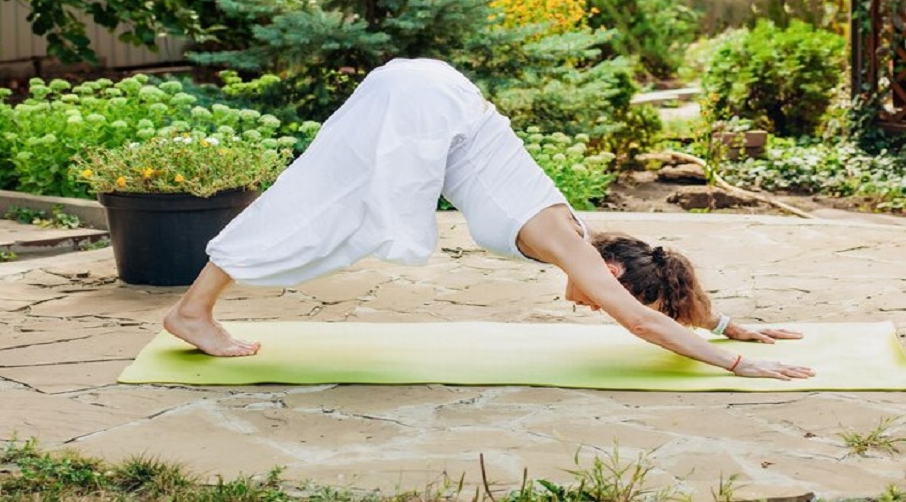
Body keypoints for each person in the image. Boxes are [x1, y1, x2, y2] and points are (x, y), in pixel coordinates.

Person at [164, 58, 815, 381]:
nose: (598, 305)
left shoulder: (584, 239)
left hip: (431, 97)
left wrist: (728, 324)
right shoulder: (567, 240)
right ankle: (195, 311)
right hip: (429, 105)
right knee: (330, 211)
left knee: (324, 202)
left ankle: (197, 307)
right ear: (614, 270)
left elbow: (656, 292)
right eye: (607, 293)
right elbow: (640, 316)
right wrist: (735, 366)